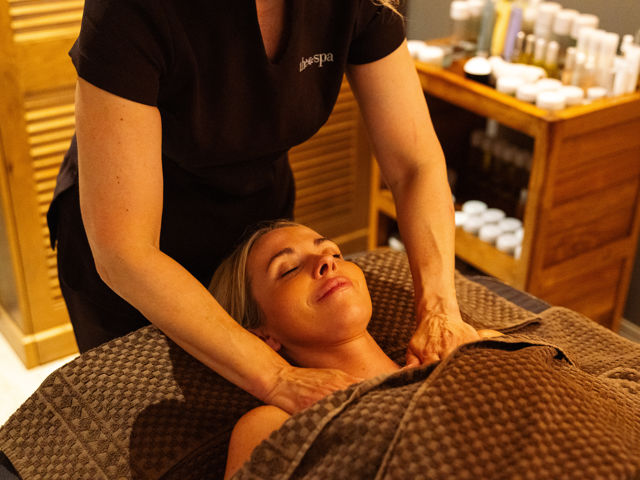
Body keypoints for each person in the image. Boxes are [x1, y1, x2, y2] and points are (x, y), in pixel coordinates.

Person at [47, 0, 480, 415]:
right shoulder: (134, 8)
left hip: (256, 209)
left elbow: (414, 165)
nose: (328, 261)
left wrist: (440, 310)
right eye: (292, 268)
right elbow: (125, 251)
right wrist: (277, 378)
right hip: (137, 244)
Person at [208, 220, 502, 479]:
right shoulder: (272, 424)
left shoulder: (471, 347)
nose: (327, 261)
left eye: (335, 253)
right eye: (289, 270)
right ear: (261, 335)